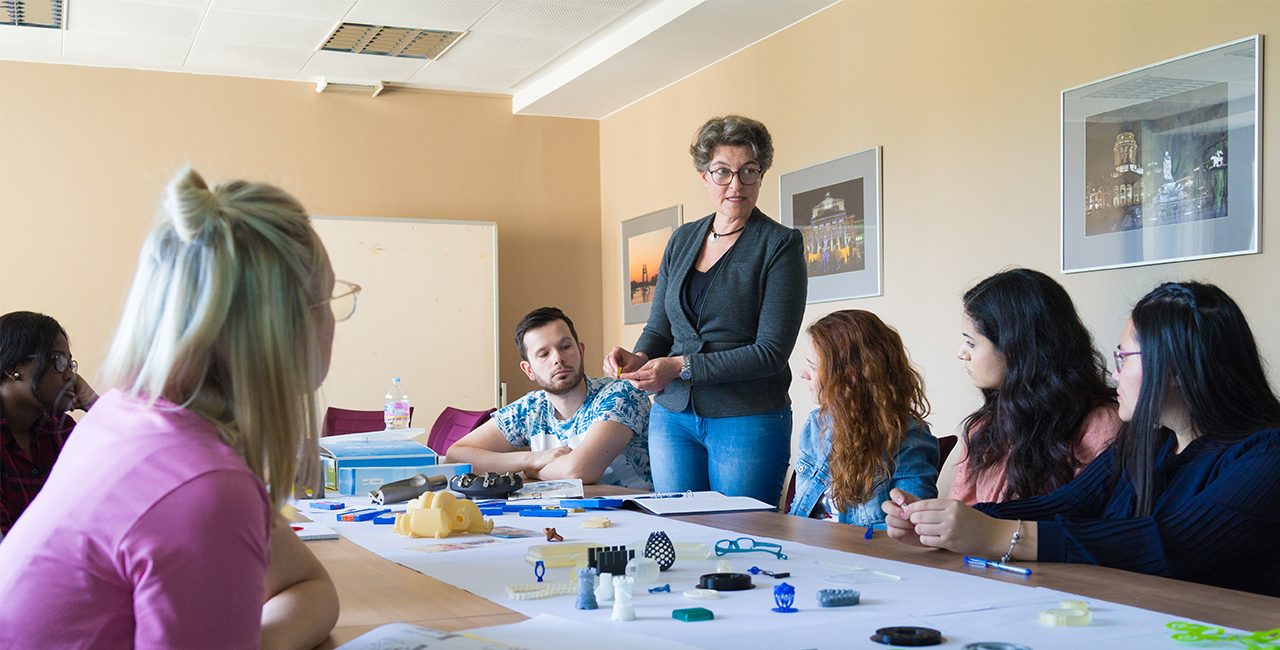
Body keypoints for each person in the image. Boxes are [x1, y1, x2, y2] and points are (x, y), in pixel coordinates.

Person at [0, 168, 343, 648]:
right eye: (329, 297)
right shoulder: (205, 488)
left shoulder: (123, 417)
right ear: (281, 325)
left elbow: (306, 587)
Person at [883, 282, 1280, 596]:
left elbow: (1172, 542)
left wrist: (1001, 536)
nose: (1114, 374)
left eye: (1124, 358)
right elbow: (1067, 505)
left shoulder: (1268, 453)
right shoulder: (1151, 440)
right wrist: (941, 522)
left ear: (1174, 367)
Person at [604, 115, 807, 506]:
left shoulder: (780, 245)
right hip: (672, 417)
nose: (736, 184)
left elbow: (770, 353)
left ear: (761, 175)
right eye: (723, 172)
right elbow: (661, 327)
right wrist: (640, 357)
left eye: (749, 171)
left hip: (746, 418)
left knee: (742, 538)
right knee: (680, 534)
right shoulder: (682, 239)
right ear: (704, 177)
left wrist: (680, 366)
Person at [950, 268, 1120, 504]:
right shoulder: (983, 427)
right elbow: (959, 516)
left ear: (1017, 348)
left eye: (971, 342)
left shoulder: (1100, 425)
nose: (961, 353)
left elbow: (1090, 528)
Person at [448, 307, 652, 490]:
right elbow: (455, 456)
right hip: (569, 518)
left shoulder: (622, 393)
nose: (558, 358)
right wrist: (531, 459)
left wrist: (531, 471)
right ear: (528, 370)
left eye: (565, 347)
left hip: (634, 517)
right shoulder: (531, 408)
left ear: (581, 351)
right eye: (543, 354)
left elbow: (577, 472)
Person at [787, 310, 939, 527]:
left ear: (849, 377)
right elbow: (798, 511)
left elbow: (910, 527)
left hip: (865, 555)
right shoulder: (816, 424)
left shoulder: (908, 439)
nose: (803, 373)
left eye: (813, 366)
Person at [0, 311, 99, 535]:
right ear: (13, 368)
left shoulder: (60, 429)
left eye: (70, 364)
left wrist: (94, 404)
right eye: (59, 361)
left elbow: (127, 482)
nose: (71, 376)